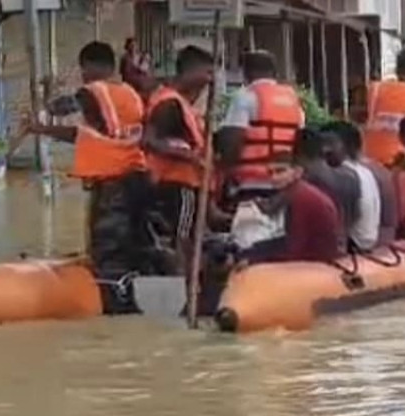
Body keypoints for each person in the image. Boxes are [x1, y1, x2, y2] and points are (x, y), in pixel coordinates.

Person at [29, 41, 151, 313]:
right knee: (131, 245)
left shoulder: (94, 91)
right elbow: (86, 136)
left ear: (91, 67)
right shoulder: (129, 94)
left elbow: (64, 107)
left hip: (113, 184)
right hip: (137, 178)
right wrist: (42, 130)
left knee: (107, 248)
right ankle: (133, 297)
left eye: (83, 70)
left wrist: (44, 106)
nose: (82, 76)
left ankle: (110, 305)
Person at [143, 46, 215, 273]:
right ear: (191, 71)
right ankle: (184, 285)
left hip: (181, 184)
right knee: (182, 238)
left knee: (187, 236)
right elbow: (149, 140)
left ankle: (189, 283)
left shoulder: (182, 104)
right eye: (207, 73)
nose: (209, 80)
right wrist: (191, 157)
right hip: (176, 184)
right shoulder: (169, 102)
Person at [217, 50, 306, 200]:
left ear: (246, 73)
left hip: (251, 183)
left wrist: (224, 172)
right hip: (286, 182)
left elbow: (232, 141)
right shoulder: (293, 100)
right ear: (275, 73)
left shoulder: (245, 96)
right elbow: (302, 140)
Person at [240, 156, 342, 265]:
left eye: (280, 171)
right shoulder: (297, 192)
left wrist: (253, 259)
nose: (274, 178)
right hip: (313, 258)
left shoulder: (301, 198)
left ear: (298, 172)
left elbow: (295, 249)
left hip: (316, 264)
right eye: (270, 173)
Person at [322, 121, 391, 251]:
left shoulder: (343, 174)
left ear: (346, 146)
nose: (325, 149)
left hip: (355, 246)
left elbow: (342, 227)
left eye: (329, 144)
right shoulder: (363, 171)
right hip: (368, 242)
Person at [360, 49, 405, 167]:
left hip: (368, 160)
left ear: (396, 70)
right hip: (400, 163)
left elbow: (359, 117)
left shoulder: (375, 89)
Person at [293, 126, 360, 252]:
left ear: (296, 153)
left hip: (315, 256)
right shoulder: (351, 177)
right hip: (344, 250)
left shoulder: (304, 180)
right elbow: (355, 215)